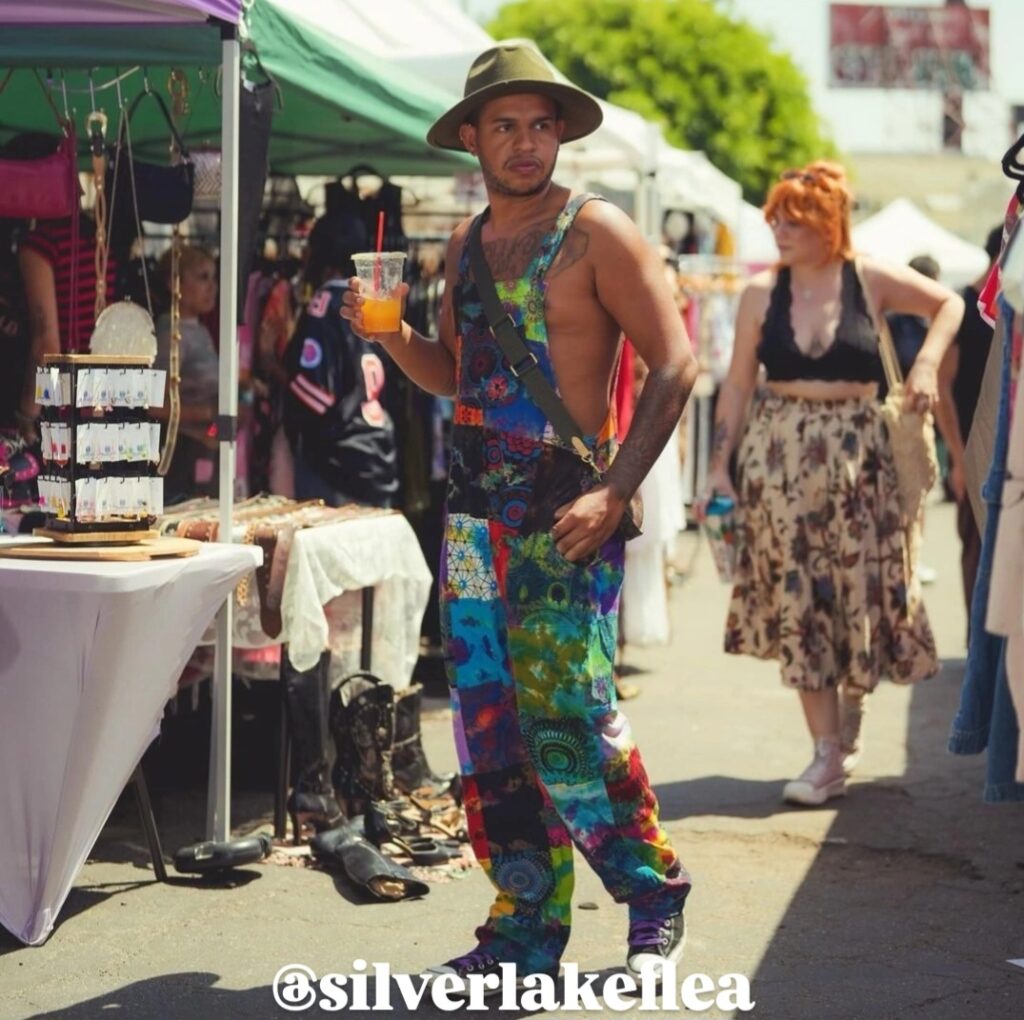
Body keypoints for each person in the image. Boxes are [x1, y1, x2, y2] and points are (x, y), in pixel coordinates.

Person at [341, 43, 698, 984]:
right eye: (507, 125)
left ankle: (653, 889)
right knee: (487, 729)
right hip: (470, 520)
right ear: (471, 138)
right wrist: (392, 336)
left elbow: (676, 363)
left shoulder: (599, 231)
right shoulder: (460, 248)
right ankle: (524, 928)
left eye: (542, 124)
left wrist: (615, 489)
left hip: (563, 511)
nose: (528, 142)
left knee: (571, 716)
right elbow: (456, 376)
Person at [697, 162, 963, 807]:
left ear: (829, 222)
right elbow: (736, 384)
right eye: (776, 219)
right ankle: (824, 754)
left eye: (795, 219)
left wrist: (926, 363)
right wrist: (717, 464)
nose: (780, 230)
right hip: (780, 458)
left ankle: (848, 715)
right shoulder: (763, 294)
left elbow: (951, 303)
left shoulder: (868, 277)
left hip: (859, 461)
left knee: (858, 594)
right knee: (800, 595)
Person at [282, 213, 398, 509]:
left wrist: (274, 367)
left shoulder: (326, 303)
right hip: (378, 454)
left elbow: (314, 392)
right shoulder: (375, 304)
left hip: (337, 465)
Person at [933, 226, 1001, 627]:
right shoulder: (963, 306)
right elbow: (942, 387)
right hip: (972, 448)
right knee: (975, 551)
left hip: (1003, 448)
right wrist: (959, 459)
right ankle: (977, 641)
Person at [153, 244, 219, 502]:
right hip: (178, 455)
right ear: (174, 284)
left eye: (213, 278)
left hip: (200, 452)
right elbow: (152, 402)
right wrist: (207, 414)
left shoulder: (199, 330)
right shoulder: (170, 334)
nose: (212, 287)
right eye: (203, 278)